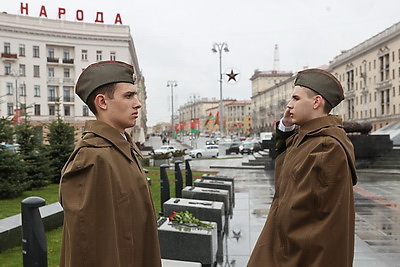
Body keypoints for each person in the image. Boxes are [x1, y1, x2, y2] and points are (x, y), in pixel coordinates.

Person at [248, 68, 358, 267]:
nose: (289, 105)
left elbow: (302, 212)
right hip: (292, 246)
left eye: (296, 98)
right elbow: (284, 160)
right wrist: (286, 126)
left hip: (302, 254)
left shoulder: (326, 145)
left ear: (316, 102)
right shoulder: (309, 138)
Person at [59, 60, 161, 267]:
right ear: (102, 102)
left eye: (136, 95)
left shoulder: (120, 149)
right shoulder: (92, 158)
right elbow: (88, 248)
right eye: (128, 96)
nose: (137, 103)